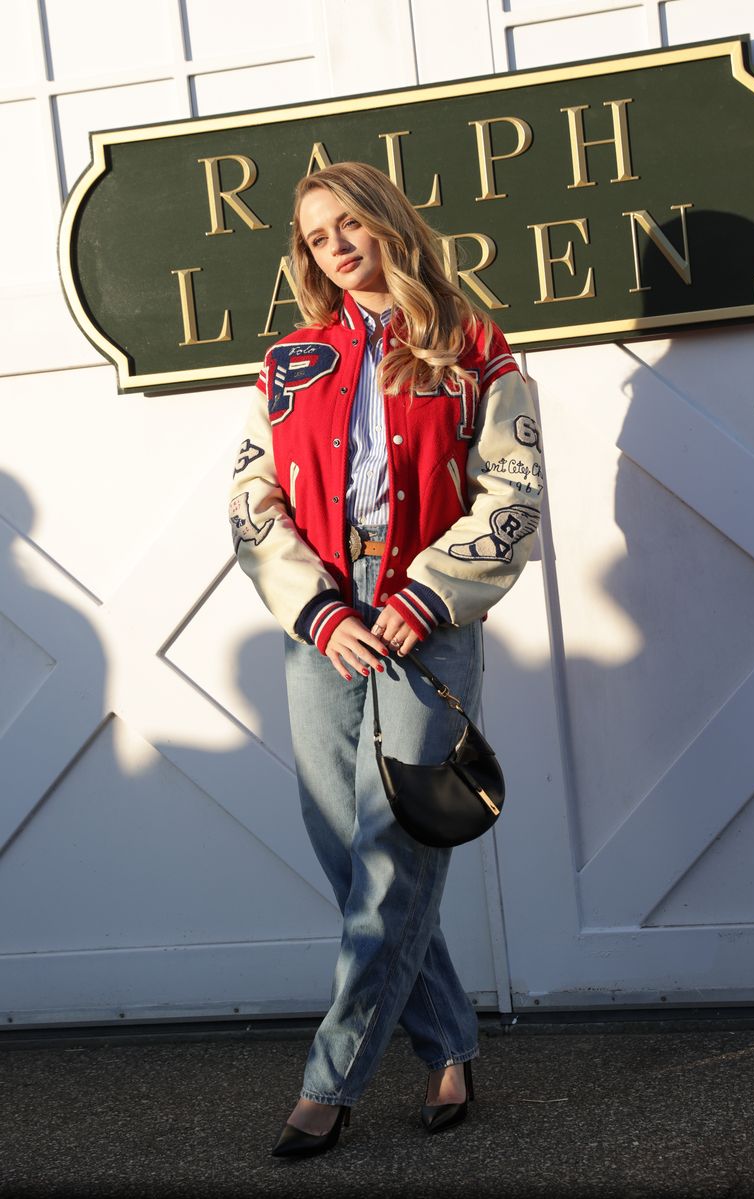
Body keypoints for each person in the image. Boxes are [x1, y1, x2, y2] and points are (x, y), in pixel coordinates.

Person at [229, 161, 544, 1158]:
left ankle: (329, 1081)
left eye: (351, 222)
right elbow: (251, 498)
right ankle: (448, 1040)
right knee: (346, 852)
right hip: (323, 618)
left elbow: (513, 489)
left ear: (390, 222)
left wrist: (422, 595)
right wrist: (317, 608)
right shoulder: (290, 360)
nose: (337, 244)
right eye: (318, 234)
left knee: (396, 848)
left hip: (423, 608)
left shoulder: (471, 344)